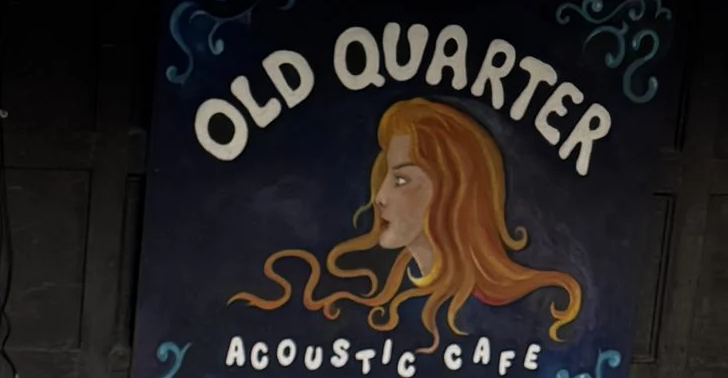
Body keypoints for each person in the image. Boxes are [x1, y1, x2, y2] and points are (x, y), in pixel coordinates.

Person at [233, 95, 583, 351]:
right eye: (386, 178)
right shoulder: (382, 300)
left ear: (453, 191)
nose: (380, 197)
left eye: (401, 180)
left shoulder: (508, 315)